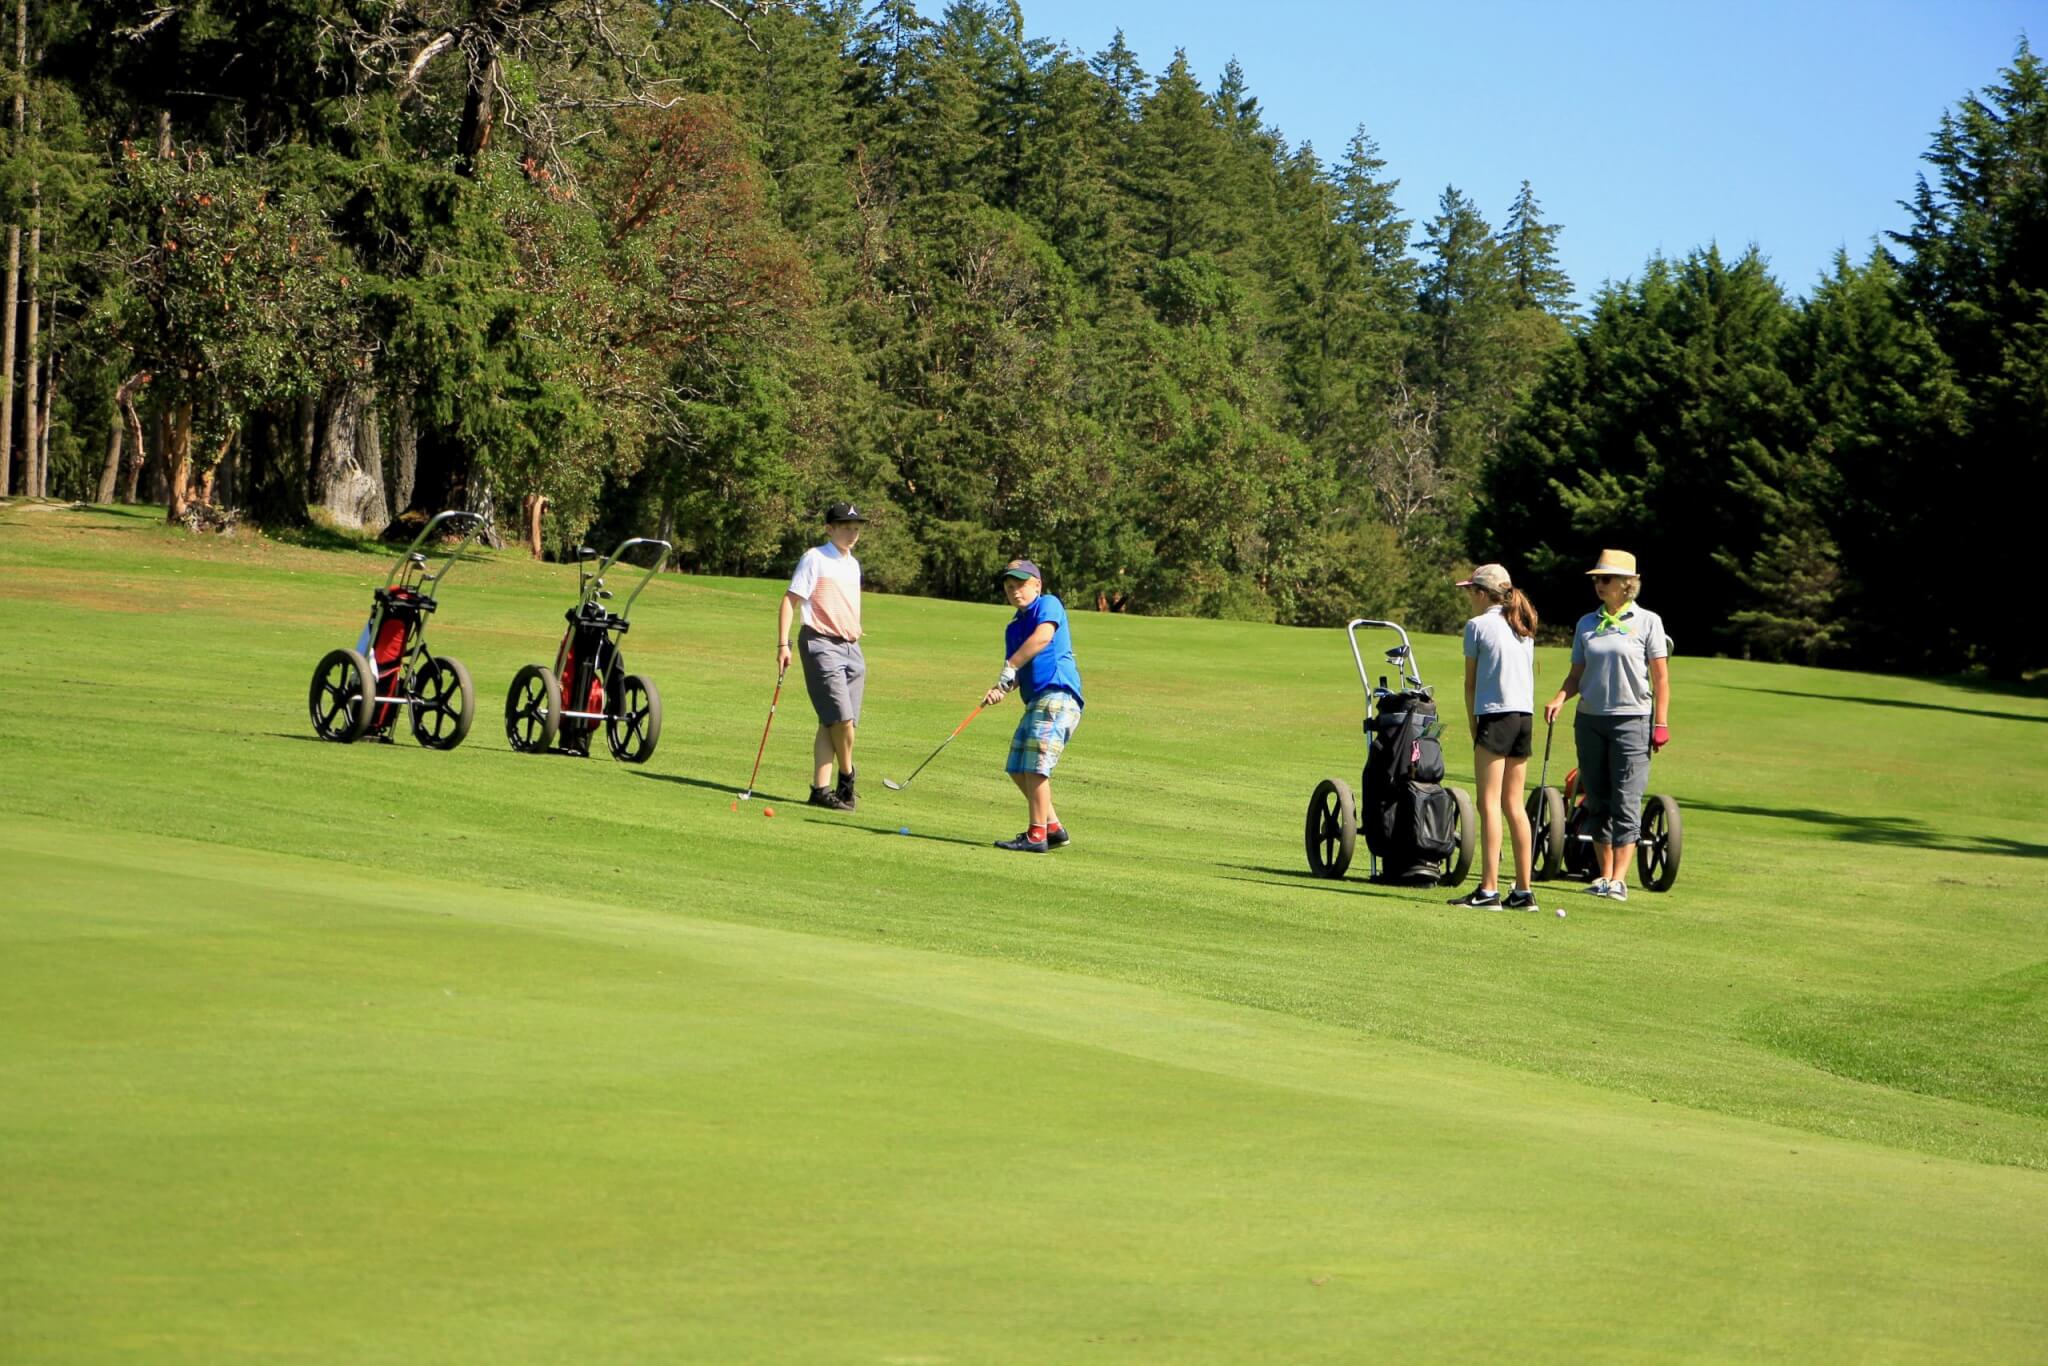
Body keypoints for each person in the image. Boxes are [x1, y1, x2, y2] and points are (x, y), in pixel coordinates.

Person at [1542, 549, 1672, 902]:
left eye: (1606, 579)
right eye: (1597, 579)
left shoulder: (1648, 622)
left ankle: (1619, 879)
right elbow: (1576, 674)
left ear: (1627, 584)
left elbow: (1660, 678)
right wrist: (1558, 698)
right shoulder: (1587, 624)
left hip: (1633, 720)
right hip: (1590, 720)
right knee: (1597, 798)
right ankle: (1603, 875)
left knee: (1626, 799)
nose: (1599, 584)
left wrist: (1661, 722)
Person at [1446, 563, 1541, 912]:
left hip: (1495, 715)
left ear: (1483, 593)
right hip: (1523, 717)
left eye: (1471, 591)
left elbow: (1470, 683)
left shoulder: (1477, 626)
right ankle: (1523, 891)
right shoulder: (1522, 624)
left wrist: (1473, 724)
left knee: (1489, 803)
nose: (1469, 597)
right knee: (1514, 804)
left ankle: (1488, 890)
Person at [981, 559, 1084, 853]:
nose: (1016, 591)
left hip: (1058, 693)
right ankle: (1052, 828)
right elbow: (1017, 672)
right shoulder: (1013, 628)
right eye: (1010, 587)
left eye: (1022, 585)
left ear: (1036, 585)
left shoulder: (1048, 604)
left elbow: (1042, 638)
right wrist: (1001, 688)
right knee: (1017, 766)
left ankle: (1036, 835)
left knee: (1037, 767)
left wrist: (1010, 664)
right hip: (1035, 700)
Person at [778, 502, 868, 811]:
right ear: (829, 528)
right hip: (820, 643)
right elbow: (790, 601)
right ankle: (847, 775)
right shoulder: (815, 558)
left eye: (855, 528)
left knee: (837, 722)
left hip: (851, 647)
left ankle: (820, 789)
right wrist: (783, 645)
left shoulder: (853, 564)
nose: (852, 533)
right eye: (845, 527)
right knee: (841, 718)